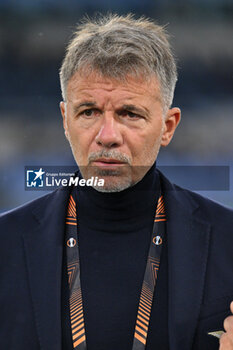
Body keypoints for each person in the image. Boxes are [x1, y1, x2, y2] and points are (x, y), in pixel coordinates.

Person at [0, 14, 233, 350]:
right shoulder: (5, 244)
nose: (107, 136)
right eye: (89, 112)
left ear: (168, 126)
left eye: (129, 114)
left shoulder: (228, 241)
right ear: (65, 120)